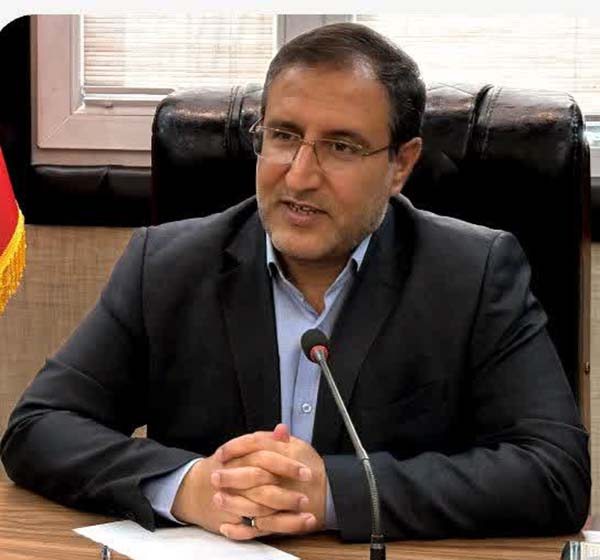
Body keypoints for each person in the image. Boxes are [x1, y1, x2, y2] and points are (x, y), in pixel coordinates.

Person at [1, 23, 590, 543]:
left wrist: (332, 493)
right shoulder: (166, 265)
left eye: (340, 146)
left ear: (401, 164)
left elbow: (554, 474)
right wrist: (190, 486)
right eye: (283, 136)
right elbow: (38, 427)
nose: (300, 176)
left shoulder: (473, 274)